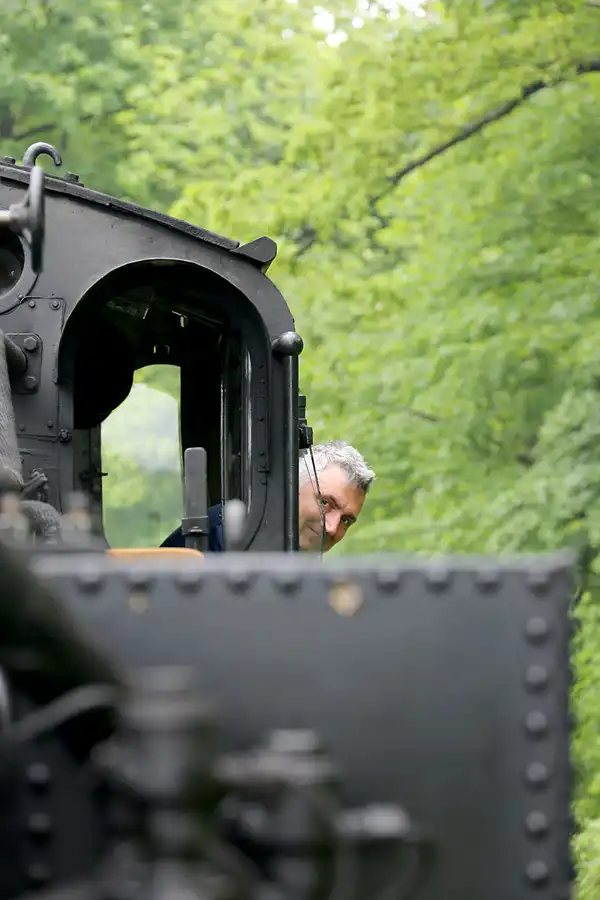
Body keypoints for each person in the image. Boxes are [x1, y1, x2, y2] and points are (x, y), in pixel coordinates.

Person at [161, 440, 374, 553]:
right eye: (325, 503)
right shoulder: (221, 536)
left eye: (346, 520)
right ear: (293, 488)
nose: (332, 528)